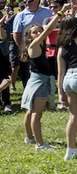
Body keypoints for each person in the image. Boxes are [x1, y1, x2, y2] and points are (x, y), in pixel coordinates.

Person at [20, 14, 60, 150]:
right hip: (40, 82)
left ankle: (30, 138)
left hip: (35, 81)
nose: (38, 33)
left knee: (31, 112)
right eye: (34, 32)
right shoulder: (35, 44)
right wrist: (60, 14)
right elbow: (49, 29)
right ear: (29, 36)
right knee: (37, 114)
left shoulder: (36, 46)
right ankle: (40, 144)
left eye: (39, 31)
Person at [57, 17, 77, 160]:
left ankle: (70, 151)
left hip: (68, 79)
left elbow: (60, 72)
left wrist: (60, 94)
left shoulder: (62, 48)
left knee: (73, 116)